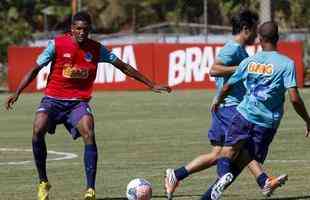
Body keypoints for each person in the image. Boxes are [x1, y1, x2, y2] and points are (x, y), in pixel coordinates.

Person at [5, 11, 171, 200]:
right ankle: (43, 182)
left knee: (88, 131)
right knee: (38, 127)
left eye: (85, 29)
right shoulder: (56, 45)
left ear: (90, 30)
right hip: (53, 100)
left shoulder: (97, 49)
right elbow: (35, 68)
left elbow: (124, 66)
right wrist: (18, 91)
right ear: (72, 29)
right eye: (78, 29)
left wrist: (151, 84)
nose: (82, 32)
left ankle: (90, 189)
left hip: (77, 103)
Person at [165, 10, 287, 200]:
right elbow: (214, 69)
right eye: (254, 30)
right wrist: (242, 68)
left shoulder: (241, 50)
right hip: (230, 106)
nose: (256, 35)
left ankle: (177, 174)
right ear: (246, 29)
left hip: (231, 106)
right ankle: (262, 181)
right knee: (241, 150)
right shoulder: (233, 48)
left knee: (219, 154)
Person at [208, 21, 310, 200]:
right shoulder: (286, 64)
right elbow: (294, 98)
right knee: (245, 157)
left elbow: (226, 87)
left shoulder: (248, 61)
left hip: (243, 114)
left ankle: (226, 175)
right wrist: (307, 120)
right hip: (267, 123)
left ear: (260, 39)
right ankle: (263, 181)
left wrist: (218, 100)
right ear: (277, 38)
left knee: (228, 153)